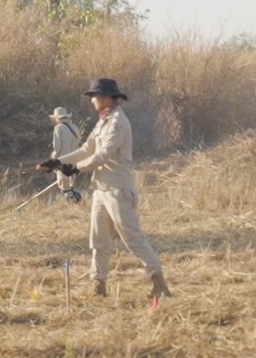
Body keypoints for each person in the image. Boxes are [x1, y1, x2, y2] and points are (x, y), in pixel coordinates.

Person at [39, 78, 170, 299]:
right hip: (100, 189)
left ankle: (159, 284)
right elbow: (87, 148)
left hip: (118, 189)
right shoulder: (103, 121)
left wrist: (75, 169)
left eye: (96, 96)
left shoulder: (118, 122)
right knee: (98, 239)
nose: (93, 100)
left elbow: (102, 156)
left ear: (109, 98)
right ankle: (98, 286)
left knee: (133, 240)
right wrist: (59, 162)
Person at [47, 106, 85, 203]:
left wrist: (53, 159)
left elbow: (57, 148)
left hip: (63, 162)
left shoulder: (58, 128)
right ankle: (77, 204)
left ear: (57, 118)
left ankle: (74, 207)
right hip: (74, 161)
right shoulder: (74, 127)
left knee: (65, 188)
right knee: (71, 186)